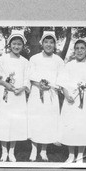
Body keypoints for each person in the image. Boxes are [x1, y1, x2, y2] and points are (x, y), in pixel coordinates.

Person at [57, 38, 86, 163]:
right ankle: (71, 155)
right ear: (74, 50)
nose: (79, 51)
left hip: (85, 100)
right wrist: (66, 95)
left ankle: (80, 156)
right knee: (71, 125)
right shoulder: (68, 65)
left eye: (82, 48)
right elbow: (62, 82)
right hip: (71, 99)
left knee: (82, 126)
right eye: (77, 48)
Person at [27, 31, 64, 161]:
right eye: (46, 42)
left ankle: (43, 150)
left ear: (54, 44)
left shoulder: (58, 60)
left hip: (51, 95)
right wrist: (39, 84)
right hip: (37, 93)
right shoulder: (34, 58)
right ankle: (33, 149)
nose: (48, 44)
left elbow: (61, 79)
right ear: (42, 43)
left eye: (51, 42)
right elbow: (30, 77)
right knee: (36, 120)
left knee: (48, 122)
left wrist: (54, 86)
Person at [0, 29, 29, 162]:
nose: (16, 46)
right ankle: (4, 151)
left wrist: (22, 88)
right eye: (14, 44)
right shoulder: (2, 59)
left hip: (18, 96)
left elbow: (27, 79)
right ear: (10, 44)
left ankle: (12, 151)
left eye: (19, 44)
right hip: (5, 95)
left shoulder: (25, 62)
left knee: (15, 122)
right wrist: (5, 84)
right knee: (4, 121)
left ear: (22, 46)